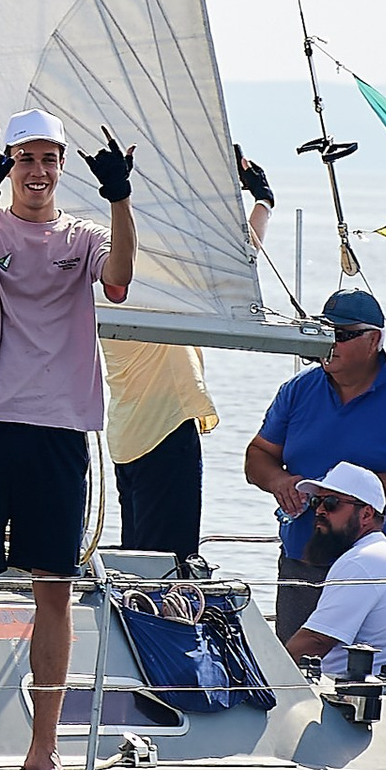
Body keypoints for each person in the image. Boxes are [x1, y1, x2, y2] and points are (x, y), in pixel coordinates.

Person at [0, 106, 135, 770]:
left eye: (49, 158)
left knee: (54, 590)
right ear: (9, 165)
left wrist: (121, 196)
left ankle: (44, 749)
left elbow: (120, 280)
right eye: (26, 159)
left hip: (57, 430)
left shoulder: (84, 235)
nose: (38, 171)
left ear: (62, 164)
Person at [245, 285, 386, 643]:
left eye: (342, 335)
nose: (331, 343)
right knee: (296, 678)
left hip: (370, 575)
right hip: (302, 563)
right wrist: (277, 481)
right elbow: (257, 456)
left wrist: (355, 488)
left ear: (374, 340)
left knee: (364, 681)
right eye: (324, 332)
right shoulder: (297, 391)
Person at [107, 144, 276, 558]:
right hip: (166, 428)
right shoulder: (165, 281)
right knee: (168, 564)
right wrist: (263, 199)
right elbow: (239, 257)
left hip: (126, 434)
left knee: (138, 557)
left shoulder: (109, 274)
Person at [282, 461, 386, 676]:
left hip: (383, 698)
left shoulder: (363, 560)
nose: (320, 511)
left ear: (366, 515)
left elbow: (314, 642)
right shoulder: (377, 553)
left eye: (331, 503)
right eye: (315, 502)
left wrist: (258, 678)